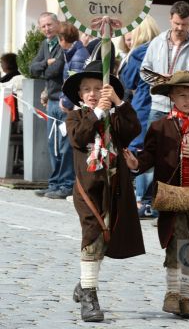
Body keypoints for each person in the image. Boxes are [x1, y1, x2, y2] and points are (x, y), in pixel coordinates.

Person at [123, 70, 189, 319]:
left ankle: (185, 298)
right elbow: (148, 155)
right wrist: (136, 164)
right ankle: (171, 294)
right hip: (173, 196)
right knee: (176, 241)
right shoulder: (160, 127)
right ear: (171, 97)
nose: (187, 99)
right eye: (182, 94)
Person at [62, 60, 145, 322]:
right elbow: (79, 138)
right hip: (87, 189)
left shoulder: (115, 117)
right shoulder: (76, 116)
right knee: (92, 233)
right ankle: (90, 297)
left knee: (106, 238)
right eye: (86, 88)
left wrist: (118, 103)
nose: (92, 92)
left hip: (114, 187)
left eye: (98, 88)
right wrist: (97, 111)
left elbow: (133, 129)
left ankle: (84, 282)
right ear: (79, 94)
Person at [30, 12, 75, 199]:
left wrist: (45, 67)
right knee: (52, 145)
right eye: (43, 26)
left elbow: (56, 70)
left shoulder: (63, 43)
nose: (47, 29)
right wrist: (44, 64)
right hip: (51, 101)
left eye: (50, 24)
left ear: (57, 24)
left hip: (64, 101)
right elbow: (32, 68)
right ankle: (54, 183)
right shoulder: (45, 45)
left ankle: (66, 185)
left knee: (65, 146)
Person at [121, 15, 160, 217]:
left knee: (142, 153)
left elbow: (128, 80)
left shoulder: (140, 52)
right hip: (159, 104)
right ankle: (149, 201)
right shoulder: (161, 47)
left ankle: (142, 201)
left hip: (143, 106)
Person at [141, 1, 189, 122]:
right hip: (158, 107)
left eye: (184, 24)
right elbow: (143, 71)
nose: (180, 28)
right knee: (153, 141)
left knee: (184, 141)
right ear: (170, 18)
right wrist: (159, 79)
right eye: (177, 23)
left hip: (185, 107)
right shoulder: (157, 41)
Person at [57, 21, 89, 112]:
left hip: (76, 107)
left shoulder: (77, 56)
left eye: (58, 39)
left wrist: (65, 103)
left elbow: (75, 84)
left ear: (62, 39)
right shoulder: (73, 53)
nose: (58, 43)